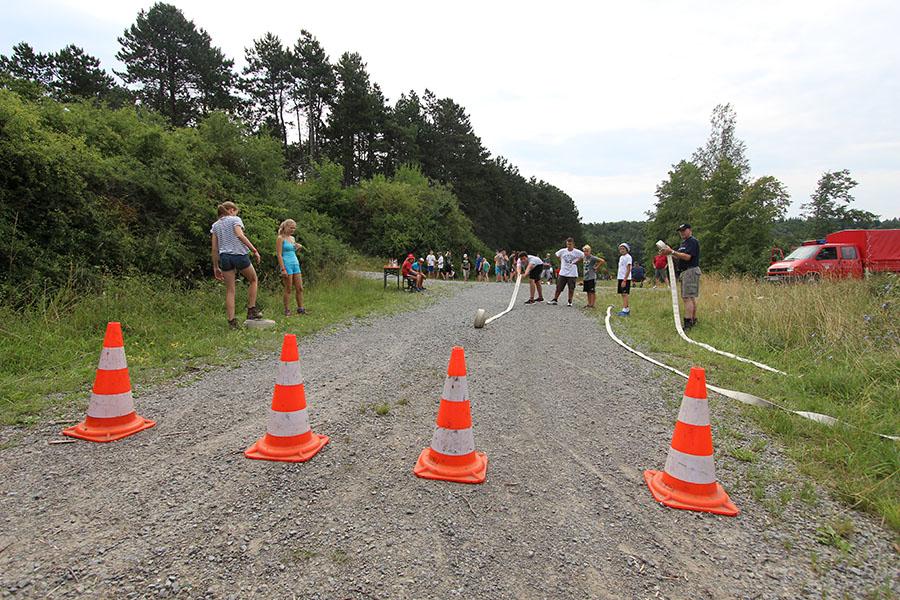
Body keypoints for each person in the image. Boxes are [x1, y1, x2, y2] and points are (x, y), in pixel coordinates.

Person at [210, 201, 262, 329]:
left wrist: (216, 267)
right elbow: (239, 235)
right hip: (239, 255)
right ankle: (251, 310)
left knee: (230, 290)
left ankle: (232, 322)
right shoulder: (235, 219)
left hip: (224, 257)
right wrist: (254, 250)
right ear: (231, 210)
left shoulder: (215, 226)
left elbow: (214, 248)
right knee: (253, 280)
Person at [664, 223, 701, 330]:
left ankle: (688, 322)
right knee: (690, 296)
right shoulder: (684, 243)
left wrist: (672, 251)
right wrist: (669, 253)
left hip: (690, 270)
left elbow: (687, 257)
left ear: (690, 230)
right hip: (685, 272)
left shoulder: (692, 242)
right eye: (680, 231)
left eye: (684, 230)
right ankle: (693, 320)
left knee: (687, 297)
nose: (682, 233)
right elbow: (679, 256)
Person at [275, 219, 307, 316]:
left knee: (300, 288)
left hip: (295, 264)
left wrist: (298, 247)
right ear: (285, 227)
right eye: (291, 227)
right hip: (287, 264)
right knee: (288, 288)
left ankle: (300, 308)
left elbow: (291, 251)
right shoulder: (280, 238)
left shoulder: (292, 238)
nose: (293, 230)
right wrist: (283, 269)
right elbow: (279, 254)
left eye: (294, 228)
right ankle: (287, 310)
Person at [549, 237, 584, 306]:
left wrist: (576, 261)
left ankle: (570, 301)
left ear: (573, 244)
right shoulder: (563, 251)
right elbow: (557, 255)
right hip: (563, 272)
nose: (569, 246)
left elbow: (583, 256)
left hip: (572, 273)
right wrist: (561, 260)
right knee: (559, 287)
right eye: (567, 244)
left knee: (571, 288)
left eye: (570, 244)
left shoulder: (577, 252)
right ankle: (555, 299)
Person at [616, 243, 633, 316]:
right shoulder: (621, 257)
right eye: (620, 249)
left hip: (625, 278)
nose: (622, 250)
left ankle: (626, 310)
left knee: (625, 293)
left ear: (627, 249)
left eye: (623, 249)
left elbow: (629, 268)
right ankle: (624, 308)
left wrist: (625, 279)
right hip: (620, 277)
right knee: (622, 294)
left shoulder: (628, 257)